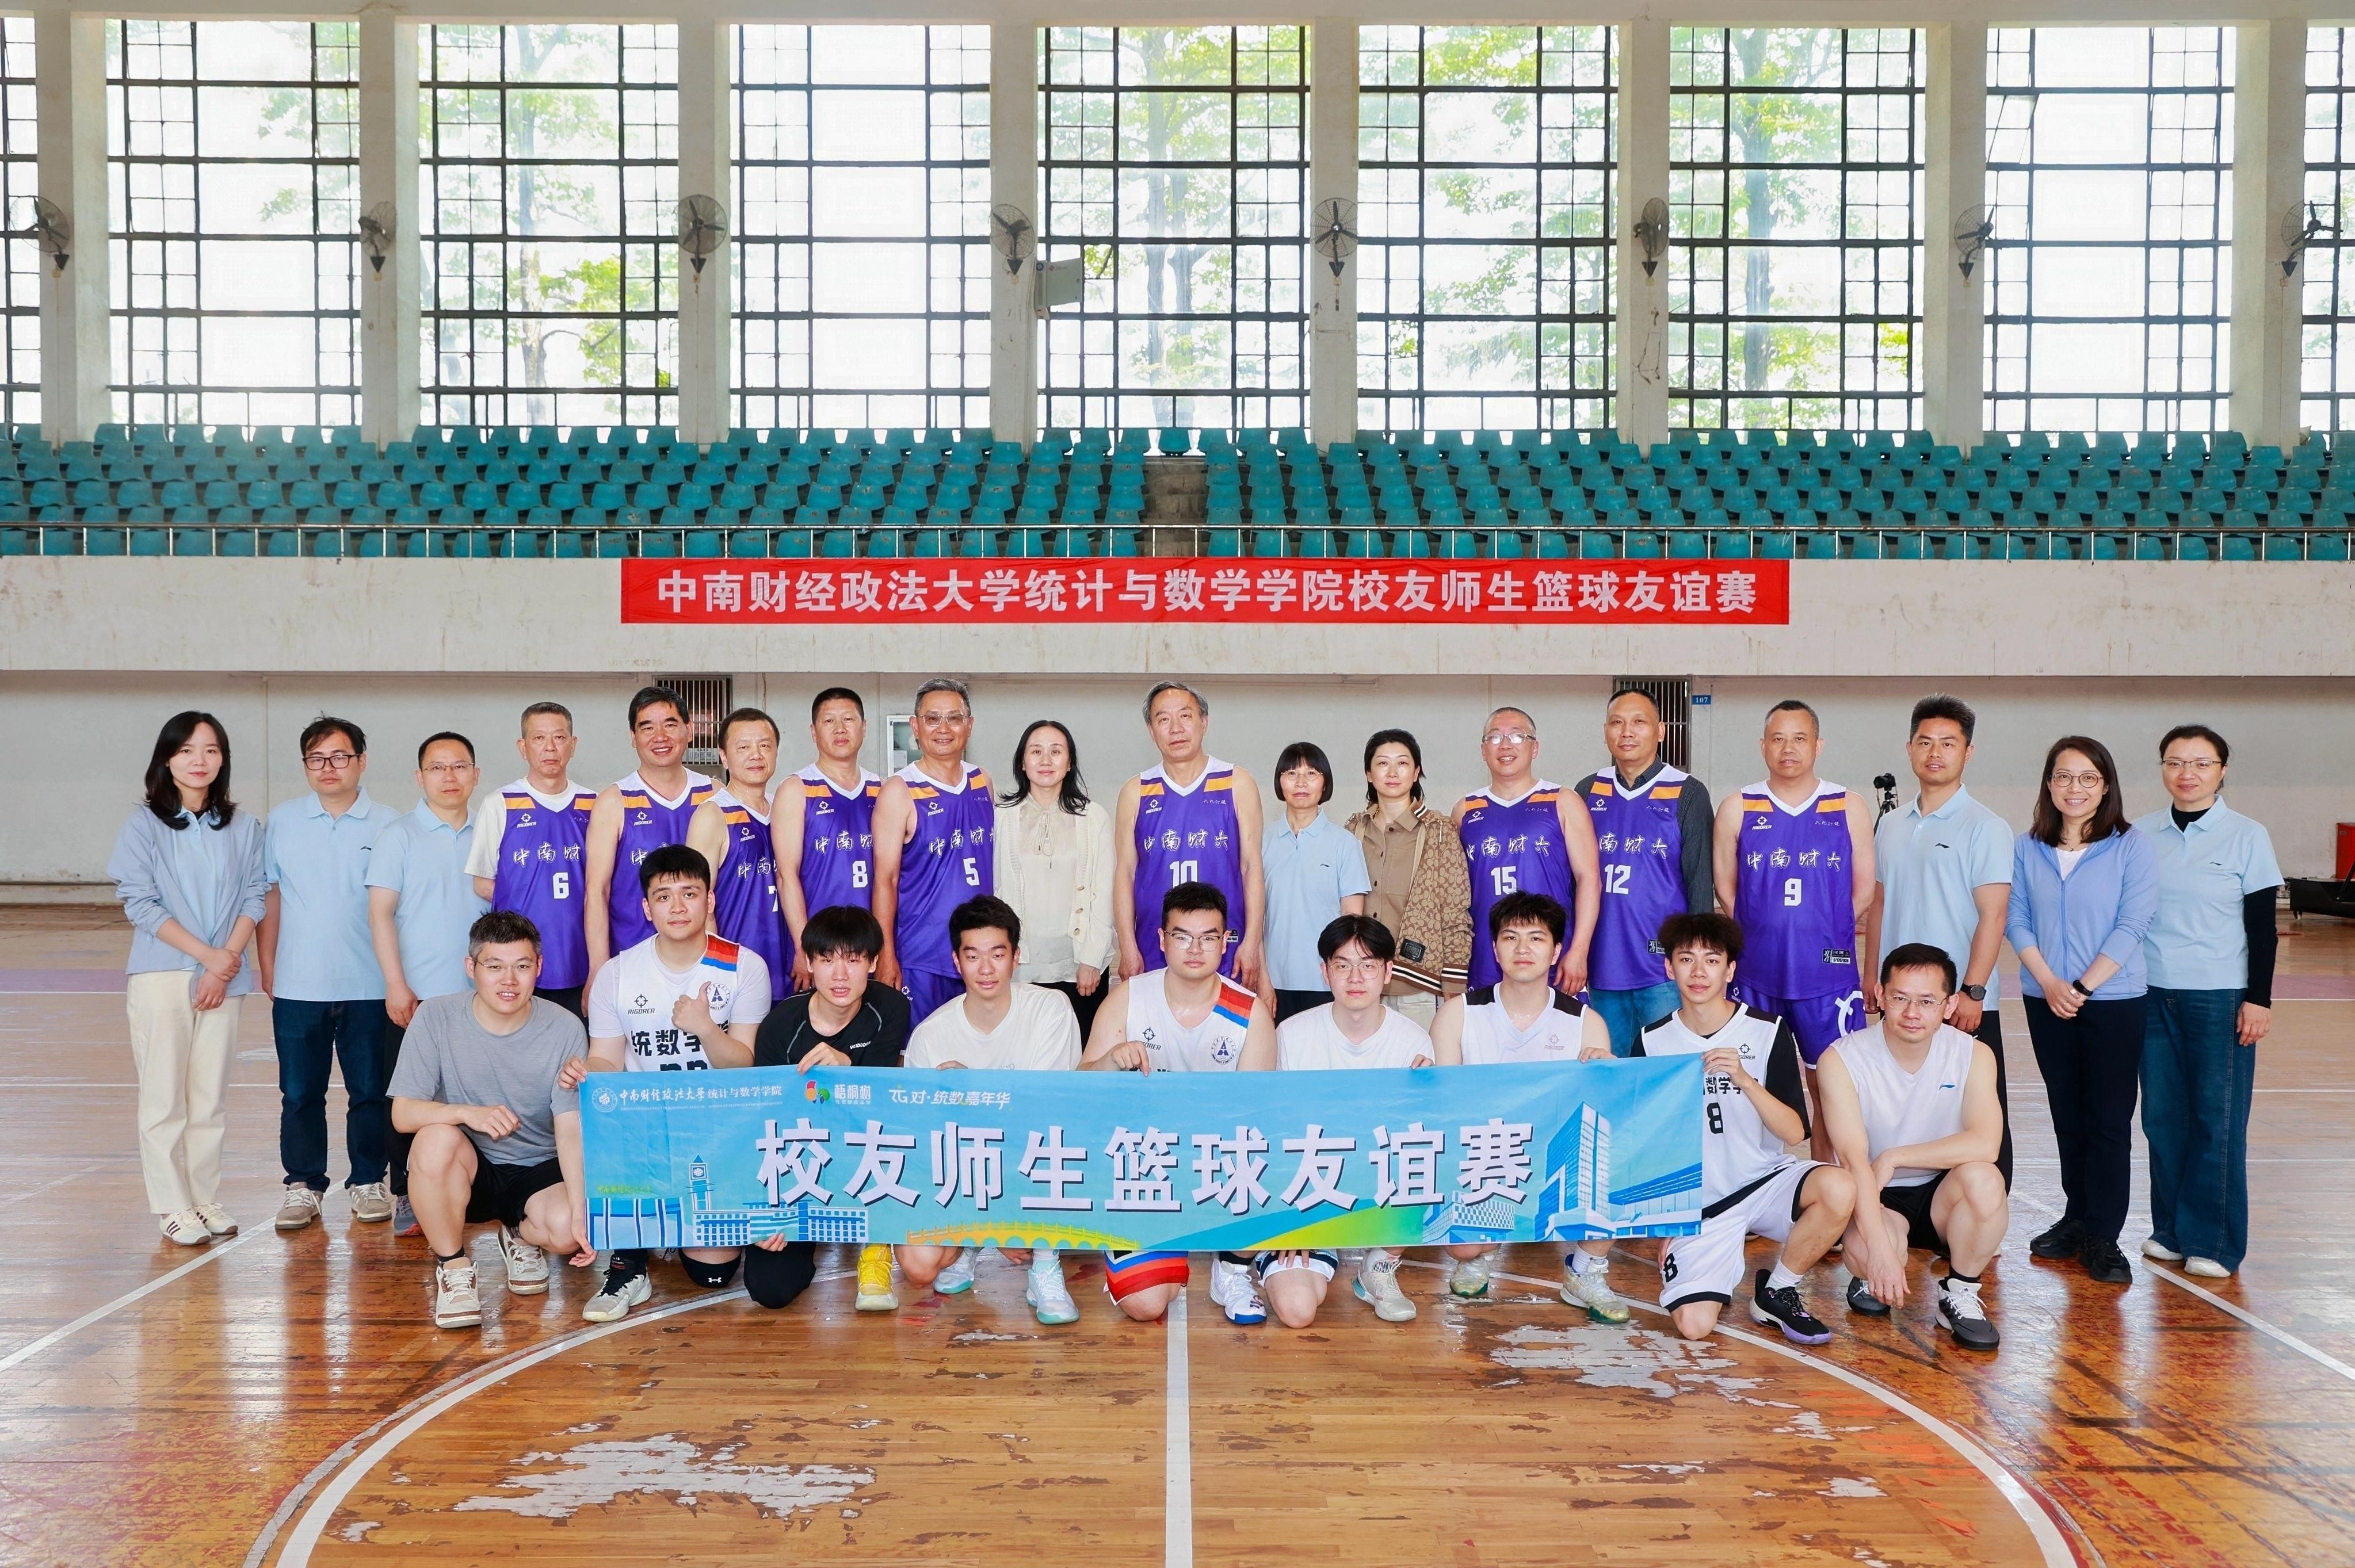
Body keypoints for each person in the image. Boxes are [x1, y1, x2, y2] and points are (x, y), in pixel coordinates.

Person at [1636, 912, 1854, 1346]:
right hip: (1704, 1204)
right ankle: (1705, 1261)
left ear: (1730, 970)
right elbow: (1645, 1142)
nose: (1698, 972)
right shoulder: (1651, 1042)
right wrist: (1669, 1219)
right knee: (1694, 1327)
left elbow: (1794, 1133)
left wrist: (1745, 1080)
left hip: (1764, 1182)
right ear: (1669, 968)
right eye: (1686, 959)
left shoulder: (1767, 1030)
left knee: (1839, 1187)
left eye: (1712, 960)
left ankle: (1778, 1289)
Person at [577, 844, 770, 1323]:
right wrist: (584, 1072)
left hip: (720, 1130)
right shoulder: (618, 974)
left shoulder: (743, 966)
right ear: (647, 908)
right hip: (648, 1129)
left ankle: (678, 1225)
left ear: (710, 900)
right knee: (597, 1105)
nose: (678, 907)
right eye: (664, 897)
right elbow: (606, 1061)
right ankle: (628, 1263)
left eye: (690, 893)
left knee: (712, 1274)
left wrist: (706, 1030)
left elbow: (745, 1067)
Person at [1081, 881, 1278, 1326]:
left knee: (1263, 1158)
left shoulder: (1248, 1012)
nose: (1195, 948)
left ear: (1225, 942)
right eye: (1182, 936)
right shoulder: (1129, 999)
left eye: (1208, 937)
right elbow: (1081, 1090)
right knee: (1146, 1305)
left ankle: (1232, 1268)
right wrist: (1112, 1060)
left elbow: (1258, 1119)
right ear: (1161, 939)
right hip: (1146, 1162)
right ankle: (1157, 1251)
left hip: (1217, 1160)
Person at [387, 911, 593, 1332]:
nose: (509, 981)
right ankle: (453, 1267)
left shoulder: (565, 1028)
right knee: (434, 1139)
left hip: (538, 1167)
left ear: (539, 966)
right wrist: (466, 1113)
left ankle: (519, 1234)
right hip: (470, 1165)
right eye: (495, 966)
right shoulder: (436, 1016)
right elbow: (402, 1113)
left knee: (568, 1231)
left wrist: (579, 1208)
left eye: (522, 966)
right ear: (471, 967)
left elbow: (570, 1123)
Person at [107, 712, 268, 1246]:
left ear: (223, 760)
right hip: (163, 974)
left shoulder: (244, 827)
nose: (200, 761)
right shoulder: (143, 825)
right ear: (167, 759)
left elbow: (254, 897)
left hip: (226, 976)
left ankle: (204, 1198)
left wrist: (226, 961)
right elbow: (140, 903)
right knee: (163, 1099)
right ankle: (172, 1206)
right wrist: (208, 957)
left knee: (209, 1097)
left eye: (211, 750)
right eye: (187, 750)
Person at [1429, 892, 1625, 1321]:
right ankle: (1481, 1253)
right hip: (1484, 1155)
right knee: (1463, 1246)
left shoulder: (1585, 1022)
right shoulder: (1459, 1013)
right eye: (1510, 937)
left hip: (1554, 1158)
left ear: (1556, 952)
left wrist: (1606, 1077)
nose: (1523, 948)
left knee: (1619, 1160)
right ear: (1495, 948)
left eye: (1536, 938)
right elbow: (1443, 1106)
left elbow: (1599, 1113)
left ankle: (1586, 1270)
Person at [2007, 736, 2156, 1288]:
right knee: (2066, 1114)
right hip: (2045, 998)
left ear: (2105, 785)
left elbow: (2132, 923)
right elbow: (2016, 919)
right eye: (2064, 777)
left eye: (2088, 778)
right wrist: (2050, 983)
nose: (2075, 788)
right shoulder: (2027, 847)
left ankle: (2103, 1235)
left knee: (2108, 1122)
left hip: (2113, 1001)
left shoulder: (2131, 846)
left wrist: (2082, 987)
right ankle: (2076, 1218)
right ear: (2048, 784)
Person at [2135, 724, 2283, 1281]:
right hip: (2151, 993)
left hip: (2219, 996)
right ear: (2162, 768)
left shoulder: (2247, 835)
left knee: (2215, 1120)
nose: (2187, 774)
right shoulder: (2141, 834)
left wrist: (2258, 999)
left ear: (2221, 771)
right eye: (2175, 762)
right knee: (2162, 1118)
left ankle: (2215, 1242)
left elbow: (2262, 928)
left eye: (2200, 763)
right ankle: (2171, 1231)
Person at [898, 897, 1085, 1325]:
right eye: (973, 956)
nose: (986, 969)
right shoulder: (930, 1036)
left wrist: (972, 1092)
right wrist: (993, 1227)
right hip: (966, 1169)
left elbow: (1042, 1112)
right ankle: (970, 1240)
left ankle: (1045, 1264)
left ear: (1016, 957)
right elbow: (924, 1141)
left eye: (997, 955)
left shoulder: (1050, 1009)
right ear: (956, 961)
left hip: (1036, 1156)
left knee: (1053, 1136)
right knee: (919, 1265)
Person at [1817, 944, 2009, 1352]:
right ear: (1880, 995)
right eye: (1900, 998)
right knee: (1868, 1254)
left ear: (1949, 1005)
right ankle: (1869, 1273)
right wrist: (1880, 1253)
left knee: (1985, 1179)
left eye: (1926, 1001)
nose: (1911, 1013)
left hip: (1943, 1191)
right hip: (1876, 1192)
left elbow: (1986, 1143)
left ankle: (1959, 1291)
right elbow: (1853, 1161)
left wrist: (1895, 1156)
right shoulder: (1841, 1059)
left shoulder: (1973, 1054)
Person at [1711, 699, 1875, 1157]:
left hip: (1827, 978)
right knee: (1753, 1085)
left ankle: (1830, 1180)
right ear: (1762, 745)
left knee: (1831, 1089)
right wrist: (1762, 930)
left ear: (1817, 746)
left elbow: (1863, 891)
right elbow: (1726, 889)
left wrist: (1823, 931)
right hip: (1756, 975)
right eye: (1778, 739)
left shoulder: (1848, 806)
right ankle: (1757, 1178)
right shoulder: (1737, 807)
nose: (1788, 748)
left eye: (1799, 738)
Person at [1862, 693, 2014, 1181]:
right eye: (1925, 742)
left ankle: (1984, 1208)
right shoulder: (1889, 825)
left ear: (1967, 752)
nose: (1935, 753)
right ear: (1909, 748)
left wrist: (1972, 991)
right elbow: (1878, 905)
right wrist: (1871, 977)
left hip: (1958, 1001)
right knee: (1906, 1108)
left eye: (1948, 743)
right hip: (1901, 998)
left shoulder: (1986, 827)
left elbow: (1994, 915)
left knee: (1976, 1115)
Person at [1268, 915, 1437, 1329]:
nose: (1355, 978)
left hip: (1378, 1181)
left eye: (1368, 965)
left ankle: (1379, 1265)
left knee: (1429, 1157)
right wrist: (1292, 1223)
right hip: (1310, 1186)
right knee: (1296, 1311)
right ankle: (1308, 1249)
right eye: (1342, 965)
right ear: (1324, 972)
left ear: (1388, 972)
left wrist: (1429, 1097)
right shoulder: (1291, 1034)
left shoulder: (1413, 1042)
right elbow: (1274, 1133)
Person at [259, 715, 391, 1233]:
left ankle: (368, 1180)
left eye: (339, 756)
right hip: (299, 984)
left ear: (362, 760)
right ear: (305, 765)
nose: (328, 767)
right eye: (316, 758)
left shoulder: (389, 824)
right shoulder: (283, 821)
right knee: (299, 1094)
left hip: (369, 984)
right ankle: (303, 1184)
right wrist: (268, 964)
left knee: (371, 1092)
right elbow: (270, 896)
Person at [749, 904, 909, 1313]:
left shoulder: (890, 1008)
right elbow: (763, 1123)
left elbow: (882, 1104)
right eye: (826, 960)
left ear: (872, 963)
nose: (840, 975)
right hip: (801, 1160)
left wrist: (846, 1070)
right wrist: (770, 1205)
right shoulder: (779, 1026)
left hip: (865, 1150)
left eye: (853, 961)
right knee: (770, 1290)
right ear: (809, 963)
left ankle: (876, 1246)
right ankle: (812, 1237)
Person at [366, 731, 491, 1237]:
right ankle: (406, 1192)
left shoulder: (492, 832)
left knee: (474, 1093)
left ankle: (478, 1187)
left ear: (476, 775)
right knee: (410, 1097)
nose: (449, 777)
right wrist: (396, 984)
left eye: (459, 766)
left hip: (482, 998)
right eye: (437, 768)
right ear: (420, 778)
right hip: (417, 997)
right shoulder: (398, 835)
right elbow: (380, 914)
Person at [1577, 687, 1717, 1055]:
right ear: (1605, 731)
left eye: (1639, 722)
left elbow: (1700, 884)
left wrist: (1696, 960)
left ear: (1661, 731)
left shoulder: (1687, 792)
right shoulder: (1588, 791)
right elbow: (1574, 880)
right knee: (1609, 1068)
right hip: (1602, 967)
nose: (1627, 732)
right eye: (1617, 722)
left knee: (1665, 1070)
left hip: (1663, 971)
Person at [1114, 682, 1267, 988]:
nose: (1176, 728)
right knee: (1155, 1019)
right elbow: (1125, 874)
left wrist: (1252, 942)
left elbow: (1251, 867)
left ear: (1204, 722)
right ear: (1151, 730)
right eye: (1163, 719)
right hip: (1154, 945)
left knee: (1226, 1019)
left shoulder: (1236, 782)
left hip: (1225, 945)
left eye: (1185, 716)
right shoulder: (1136, 791)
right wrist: (1126, 945)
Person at [871, 679, 994, 1026]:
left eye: (954, 718)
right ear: (915, 727)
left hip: (981, 953)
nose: (944, 728)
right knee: (918, 1050)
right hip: (922, 954)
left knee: (977, 1048)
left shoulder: (982, 781)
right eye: (932, 719)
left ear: (970, 725)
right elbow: (885, 880)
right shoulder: (899, 791)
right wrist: (886, 954)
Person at [1455, 706, 1601, 996]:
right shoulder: (1465, 810)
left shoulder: (1563, 801)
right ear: (1483, 750)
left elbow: (1590, 879)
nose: (1505, 745)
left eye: (1517, 736)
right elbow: (1454, 896)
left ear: (1535, 748)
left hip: (1551, 954)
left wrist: (1579, 950)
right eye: (1494, 737)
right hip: (1485, 954)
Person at [466, 701, 597, 1017]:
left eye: (559, 737)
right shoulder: (500, 803)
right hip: (517, 961)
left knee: (577, 1042)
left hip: (581, 956)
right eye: (539, 738)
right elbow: (482, 883)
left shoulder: (594, 803)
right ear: (523, 747)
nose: (550, 747)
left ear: (573, 744)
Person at [583, 685, 717, 993]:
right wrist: (598, 971)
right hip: (633, 962)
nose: (660, 737)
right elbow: (597, 891)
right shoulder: (614, 801)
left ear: (689, 730)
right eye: (647, 727)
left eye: (670, 724)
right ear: (633, 737)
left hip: (702, 964)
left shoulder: (714, 794)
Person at [993, 718, 1116, 1038]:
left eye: (1056, 751)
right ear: (1022, 762)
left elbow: (1104, 894)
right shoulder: (1000, 817)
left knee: (1082, 1054)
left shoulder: (1094, 817)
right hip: (1021, 966)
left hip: (1079, 968)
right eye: (1036, 752)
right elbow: (995, 892)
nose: (1046, 760)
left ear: (1070, 762)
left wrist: (1092, 959)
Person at [1346, 728, 1470, 1028]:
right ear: (1369, 774)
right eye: (1382, 763)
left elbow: (1456, 909)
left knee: (1420, 1058)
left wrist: (1454, 983)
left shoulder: (1439, 830)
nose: (1392, 772)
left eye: (1402, 763)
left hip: (1418, 985)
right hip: (1360, 982)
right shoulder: (1353, 830)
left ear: (1416, 773)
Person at [774, 687, 881, 992]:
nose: (840, 729)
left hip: (868, 944)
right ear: (813, 732)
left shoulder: (882, 788)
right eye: (829, 721)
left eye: (848, 719)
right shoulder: (797, 789)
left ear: (864, 728)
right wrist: (803, 947)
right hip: (820, 946)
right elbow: (786, 876)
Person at [1261, 741, 1371, 1024]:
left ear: (1325, 783)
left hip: (1327, 981)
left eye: (1311, 773)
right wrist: (1261, 976)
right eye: (1291, 773)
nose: (1301, 782)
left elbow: (1352, 922)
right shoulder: (1261, 841)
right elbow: (1254, 918)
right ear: (1280, 782)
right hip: (1273, 981)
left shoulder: (1345, 844)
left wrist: (1345, 978)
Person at [687, 706, 788, 981]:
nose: (756, 755)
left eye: (765, 746)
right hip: (737, 968)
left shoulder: (784, 809)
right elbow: (699, 901)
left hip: (791, 963)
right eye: (743, 747)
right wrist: (718, 971)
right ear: (724, 756)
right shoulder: (713, 814)